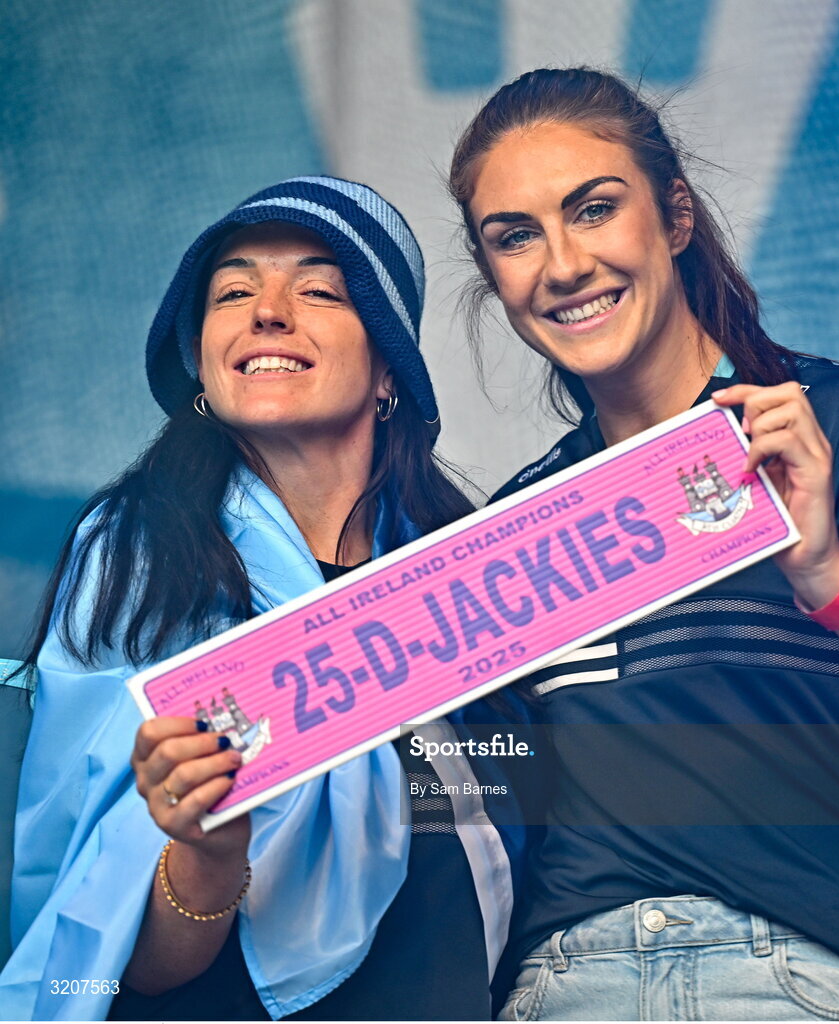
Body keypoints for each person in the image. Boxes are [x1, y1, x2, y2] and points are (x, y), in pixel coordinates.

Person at [0, 176, 516, 1021]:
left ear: (391, 371)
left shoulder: (475, 578)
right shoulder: (137, 558)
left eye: (318, 290)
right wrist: (206, 853)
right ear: (203, 362)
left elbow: (525, 819)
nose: (267, 312)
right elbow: (129, 961)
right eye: (233, 291)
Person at [448, 67, 839, 1020]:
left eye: (595, 210)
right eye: (515, 236)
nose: (563, 264)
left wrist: (826, 572)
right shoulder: (512, 526)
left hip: (806, 978)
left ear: (676, 217)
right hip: (564, 988)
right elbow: (482, 802)